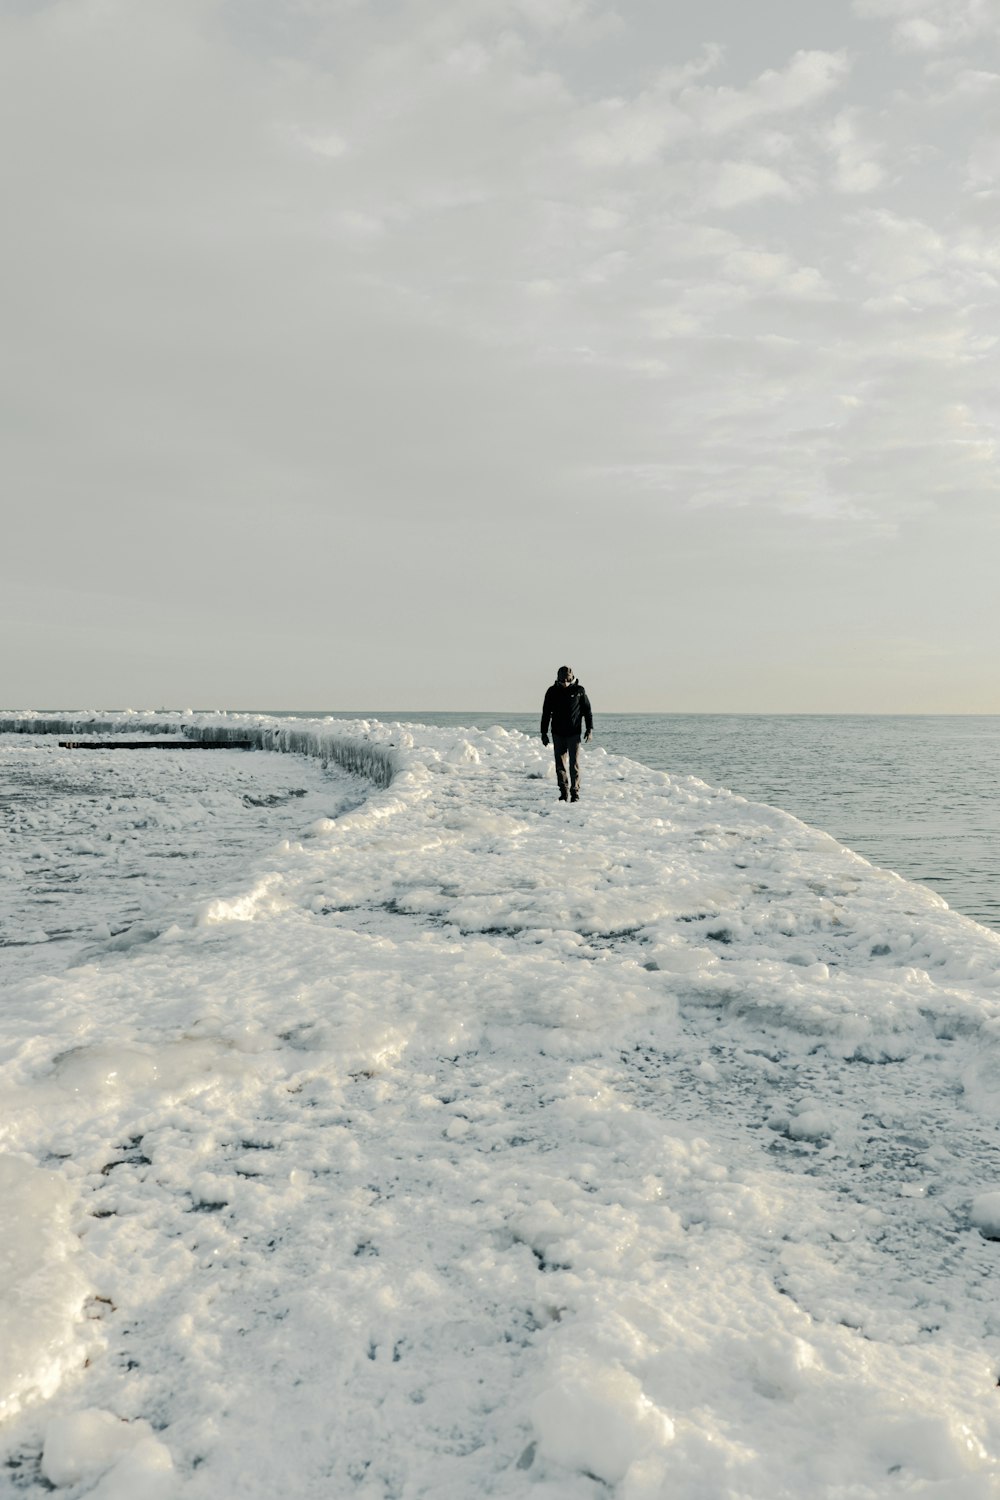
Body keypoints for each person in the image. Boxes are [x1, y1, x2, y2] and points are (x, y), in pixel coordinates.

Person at [540, 666, 593, 802]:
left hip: (574, 734)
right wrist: (544, 733)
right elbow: (546, 713)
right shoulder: (552, 691)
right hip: (557, 734)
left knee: (574, 764)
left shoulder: (579, 691)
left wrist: (589, 729)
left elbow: (587, 711)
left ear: (572, 677)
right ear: (558, 678)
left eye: (567, 679)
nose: (565, 682)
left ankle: (575, 792)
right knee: (560, 765)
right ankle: (564, 791)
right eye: (562, 680)